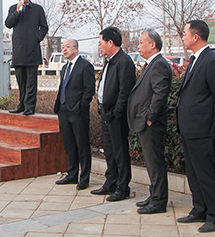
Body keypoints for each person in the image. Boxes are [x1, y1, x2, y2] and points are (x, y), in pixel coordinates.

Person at [175, 20, 215, 233]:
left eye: (185, 33)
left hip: (204, 128)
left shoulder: (211, 61)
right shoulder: (195, 60)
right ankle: (200, 209)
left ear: (196, 36)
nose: (183, 37)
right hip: (189, 127)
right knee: (193, 172)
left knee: (206, 173)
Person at [126, 29, 173, 214]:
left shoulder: (159, 64)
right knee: (150, 161)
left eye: (141, 42)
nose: (138, 45)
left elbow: (160, 94)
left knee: (155, 162)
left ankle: (159, 201)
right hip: (145, 122)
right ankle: (154, 195)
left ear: (152, 45)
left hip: (152, 124)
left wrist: (150, 117)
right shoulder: (151, 64)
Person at [92, 26, 136, 202]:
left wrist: (117, 112)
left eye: (101, 43)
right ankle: (111, 182)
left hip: (116, 116)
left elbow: (125, 91)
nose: (99, 46)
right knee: (110, 151)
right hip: (106, 113)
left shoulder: (124, 62)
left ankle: (123, 187)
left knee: (120, 152)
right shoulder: (109, 61)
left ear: (110, 42)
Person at [54, 39, 96, 190]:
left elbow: (89, 90)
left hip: (78, 112)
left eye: (68, 47)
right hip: (63, 110)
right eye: (63, 47)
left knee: (82, 145)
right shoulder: (65, 67)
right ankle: (72, 174)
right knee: (69, 145)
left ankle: (84, 178)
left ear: (76, 49)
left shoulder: (85, 66)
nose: (64, 49)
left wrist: (80, 107)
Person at [5, 0, 48, 115]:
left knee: (31, 82)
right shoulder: (13, 8)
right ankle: (21, 105)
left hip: (32, 51)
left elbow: (44, 27)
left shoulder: (37, 9)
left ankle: (30, 106)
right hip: (18, 51)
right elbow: (8, 24)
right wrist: (17, 12)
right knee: (21, 81)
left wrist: (37, 38)